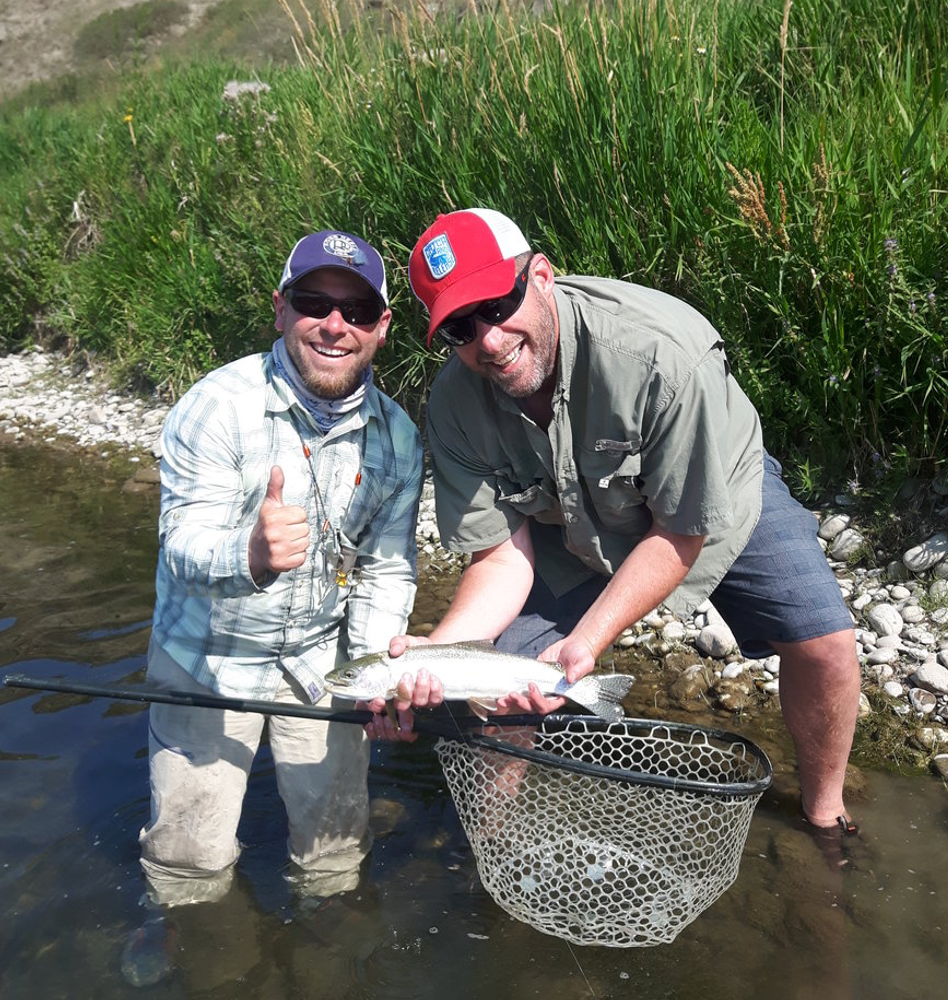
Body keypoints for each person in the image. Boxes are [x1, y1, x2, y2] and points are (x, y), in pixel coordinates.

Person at [369, 207, 861, 841]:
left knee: (824, 643)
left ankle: (826, 816)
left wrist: (585, 645)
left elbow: (682, 532)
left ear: (540, 276)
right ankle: (493, 850)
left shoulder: (661, 354)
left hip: (709, 495)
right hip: (566, 523)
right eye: (461, 327)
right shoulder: (455, 404)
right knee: (491, 704)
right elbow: (499, 558)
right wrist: (434, 658)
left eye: (496, 306)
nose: (487, 341)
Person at [138, 229, 424, 907]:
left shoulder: (398, 439)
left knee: (335, 855)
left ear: (382, 327)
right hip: (203, 658)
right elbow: (182, 542)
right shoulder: (215, 407)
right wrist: (250, 556)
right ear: (280, 309)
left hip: (317, 660)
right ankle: (179, 932)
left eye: (356, 311)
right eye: (314, 302)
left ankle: (328, 951)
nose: (334, 325)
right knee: (190, 857)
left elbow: (386, 571)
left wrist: (374, 674)